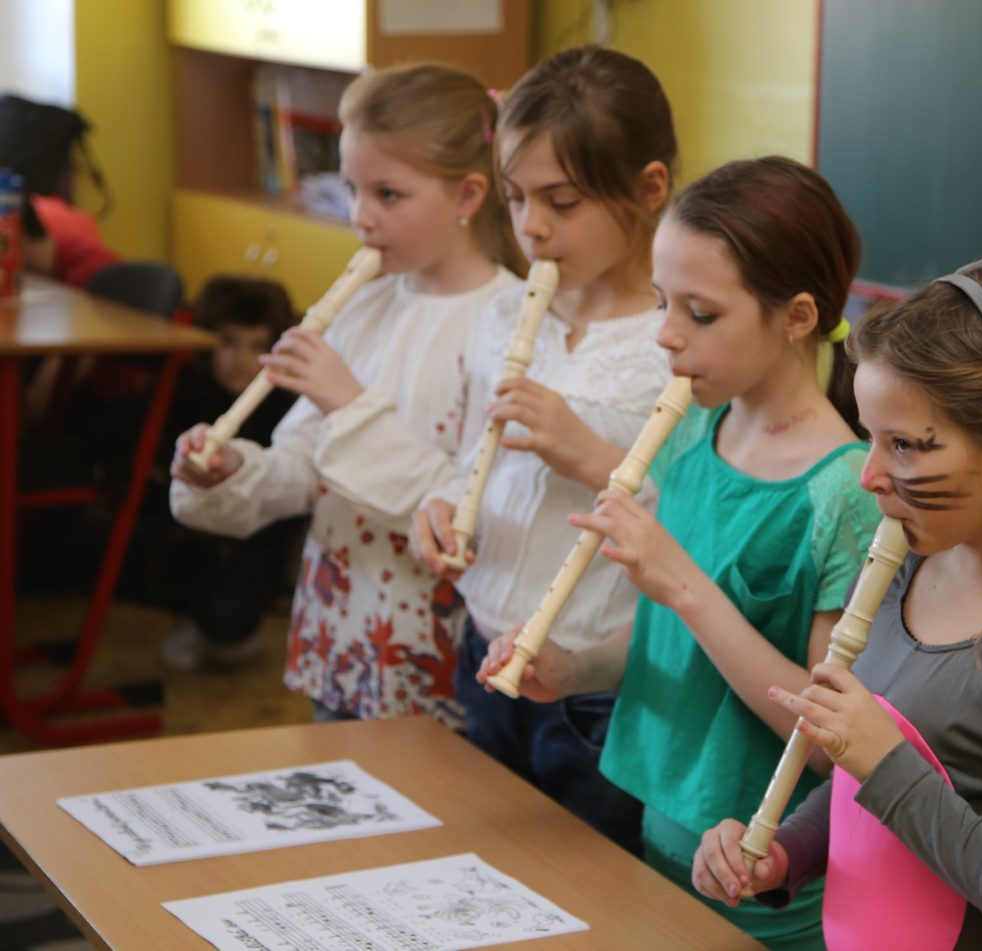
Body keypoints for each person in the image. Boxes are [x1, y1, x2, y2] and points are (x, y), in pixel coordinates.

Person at [473, 156, 883, 949]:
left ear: (797, 316)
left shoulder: (847, 493)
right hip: (660, 827)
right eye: (663, 302)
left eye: (700, 312)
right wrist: (576, 665)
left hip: (763, 879)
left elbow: (830, 740)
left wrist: (686, 585)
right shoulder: (695, 427)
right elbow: (669, 639)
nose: (665, 333)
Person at [692, 253, 982, 950]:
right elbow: (859, 794)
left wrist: (888, 769)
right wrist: (784, 852)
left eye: (905, 446)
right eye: (870, 437)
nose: (870, 476)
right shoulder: (896, 577)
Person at [170, 62, 524, 725]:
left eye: (388, 194)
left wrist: (349, 403)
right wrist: (233, 470)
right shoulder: (363, 306)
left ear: (468, 195)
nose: (360, 217)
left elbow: (469, 514)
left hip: (437, 654)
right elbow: (304, 466)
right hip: (337, 634)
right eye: (352, 188)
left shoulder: (512, 327)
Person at [411, 46, 678, 854]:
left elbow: (698, 523)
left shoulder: (678, 341)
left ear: (650, 188)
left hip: (596, 683)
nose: (530, 226)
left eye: (561, 201)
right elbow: (477, 453)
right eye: (517, 196)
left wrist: (590, 453)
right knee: (486, 865)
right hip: (483, 644)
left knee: (586, 881)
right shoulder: (506, 313)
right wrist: (443, 505)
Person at [118, 275, 302, 671]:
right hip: (176, 524)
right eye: (229, 343)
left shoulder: (287, 409)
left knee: (229, 616)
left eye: (257, 346)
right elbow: (123, 443)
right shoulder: (181, 388)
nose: (241, 360)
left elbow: (288, 503)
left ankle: (217, 623)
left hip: (253, 539)